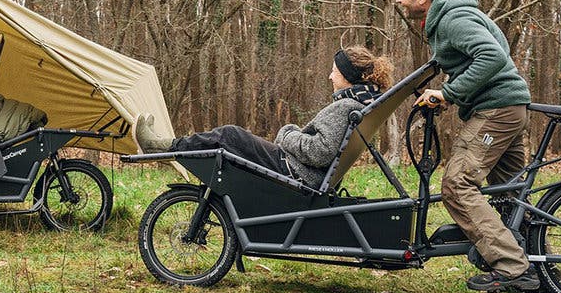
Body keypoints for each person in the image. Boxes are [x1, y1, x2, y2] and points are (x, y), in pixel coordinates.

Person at [395, 0, 538, 292]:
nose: (398, 0)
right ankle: (536, 266)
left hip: (496, 110)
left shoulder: (454, 19)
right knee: (510, 196)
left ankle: (513, 267)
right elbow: (494, 49)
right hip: (509, 106)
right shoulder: (455, 13)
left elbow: (492, 57)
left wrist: (449, 92)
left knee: (457, 185)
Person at [136, 46, 393, 189]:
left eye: (334, 72)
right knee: (231, 138)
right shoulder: (358, 102)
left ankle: (164, 146)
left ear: (347, 76)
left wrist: (287, 133)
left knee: (230, 135)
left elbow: (319, 152)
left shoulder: (345, 106)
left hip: (296, 172)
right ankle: (169, 146)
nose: (329, 76)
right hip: (301, 170)